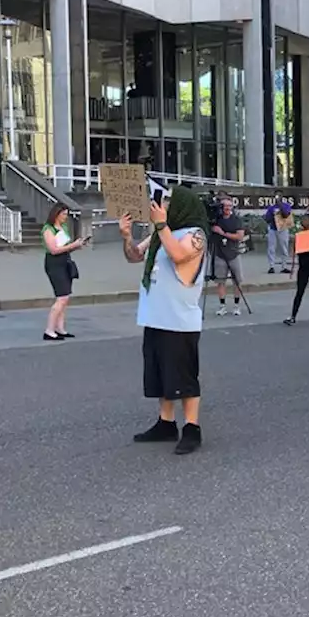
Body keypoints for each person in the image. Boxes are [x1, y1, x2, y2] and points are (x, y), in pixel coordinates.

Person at [120, 187, 209, 455]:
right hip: (155, 315)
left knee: (183, 376)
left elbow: (179, 255)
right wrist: (127, 237)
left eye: (169, 202)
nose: (163, 206)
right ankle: (166, 422)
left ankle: (192, 428)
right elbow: (134, 256)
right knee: (161, 375)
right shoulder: (160, 234)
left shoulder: (196, 235)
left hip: (179, 319)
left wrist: (160, 225)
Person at [42, 203, 90, 341]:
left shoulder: (63, 227)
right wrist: (72, 245)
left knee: (65, 297)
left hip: (65, 261)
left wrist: (76, 246)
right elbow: (53, 250)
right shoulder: (48, 229)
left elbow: (65, 247)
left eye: (66, 214)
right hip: (54, 263)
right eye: (63, 214)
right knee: (62, 297)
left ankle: (60, 328)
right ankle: (49, 330)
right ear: (56, 214)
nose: (65, 217)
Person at [284, 212, 309, 326]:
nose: (303, 222)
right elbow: (297, 250)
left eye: (305, 220)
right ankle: (293, 316)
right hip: (303, 267)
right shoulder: (300, 235)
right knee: (299, 291)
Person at [209, 198, 247, 316]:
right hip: (219, 253)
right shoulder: (216, 220)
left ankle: (236, 306)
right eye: (225, 206)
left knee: (237, 281)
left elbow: (240, 236)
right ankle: (222, 306)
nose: (228, 208)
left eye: (230, 206)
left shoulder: (236, 220)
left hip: (233, 253)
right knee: (220, 281)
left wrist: (223, 233)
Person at [264, 193, 293, 273]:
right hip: (273, 229)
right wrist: (272, 216)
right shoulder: (271, 207)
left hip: (283, 229)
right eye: (276, 196)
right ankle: (271, 266)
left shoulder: (286, 205)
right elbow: (267, 219)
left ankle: (284, 266)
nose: (277, 198)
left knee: (284, 248)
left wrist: (280, 206)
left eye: (279, 196)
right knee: (271, 248)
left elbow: (286, 214)